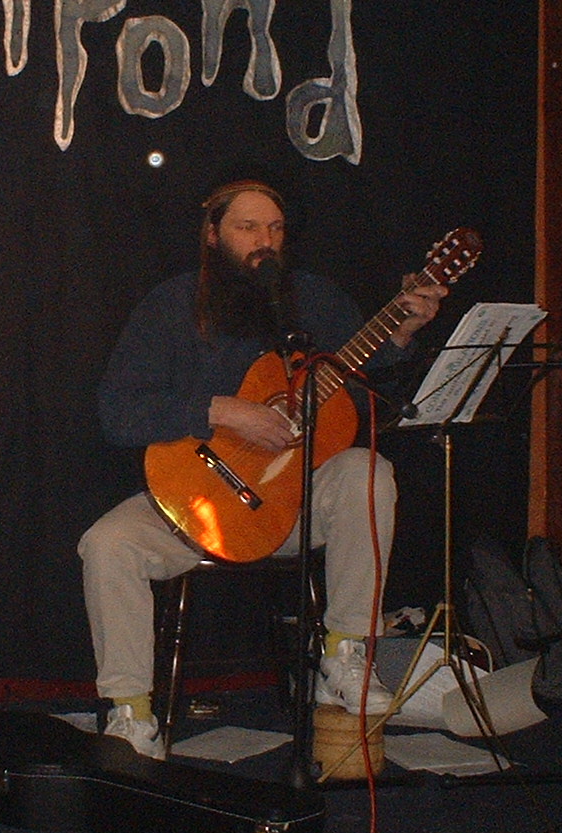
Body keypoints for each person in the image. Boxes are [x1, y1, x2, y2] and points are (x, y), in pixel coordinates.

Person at [79, 179, 446, 758]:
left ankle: (345, 653)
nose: (264, 241)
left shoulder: (316, 301)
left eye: (274, 228)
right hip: (196, 504)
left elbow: (369, 399)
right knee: (107, 544)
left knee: (367, 470)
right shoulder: (171, 305)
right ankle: (131, 714)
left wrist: (400, 333)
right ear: (212, 234)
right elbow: (117, 412)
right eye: (247, 227)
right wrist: (220, 411)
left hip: (292, 507)